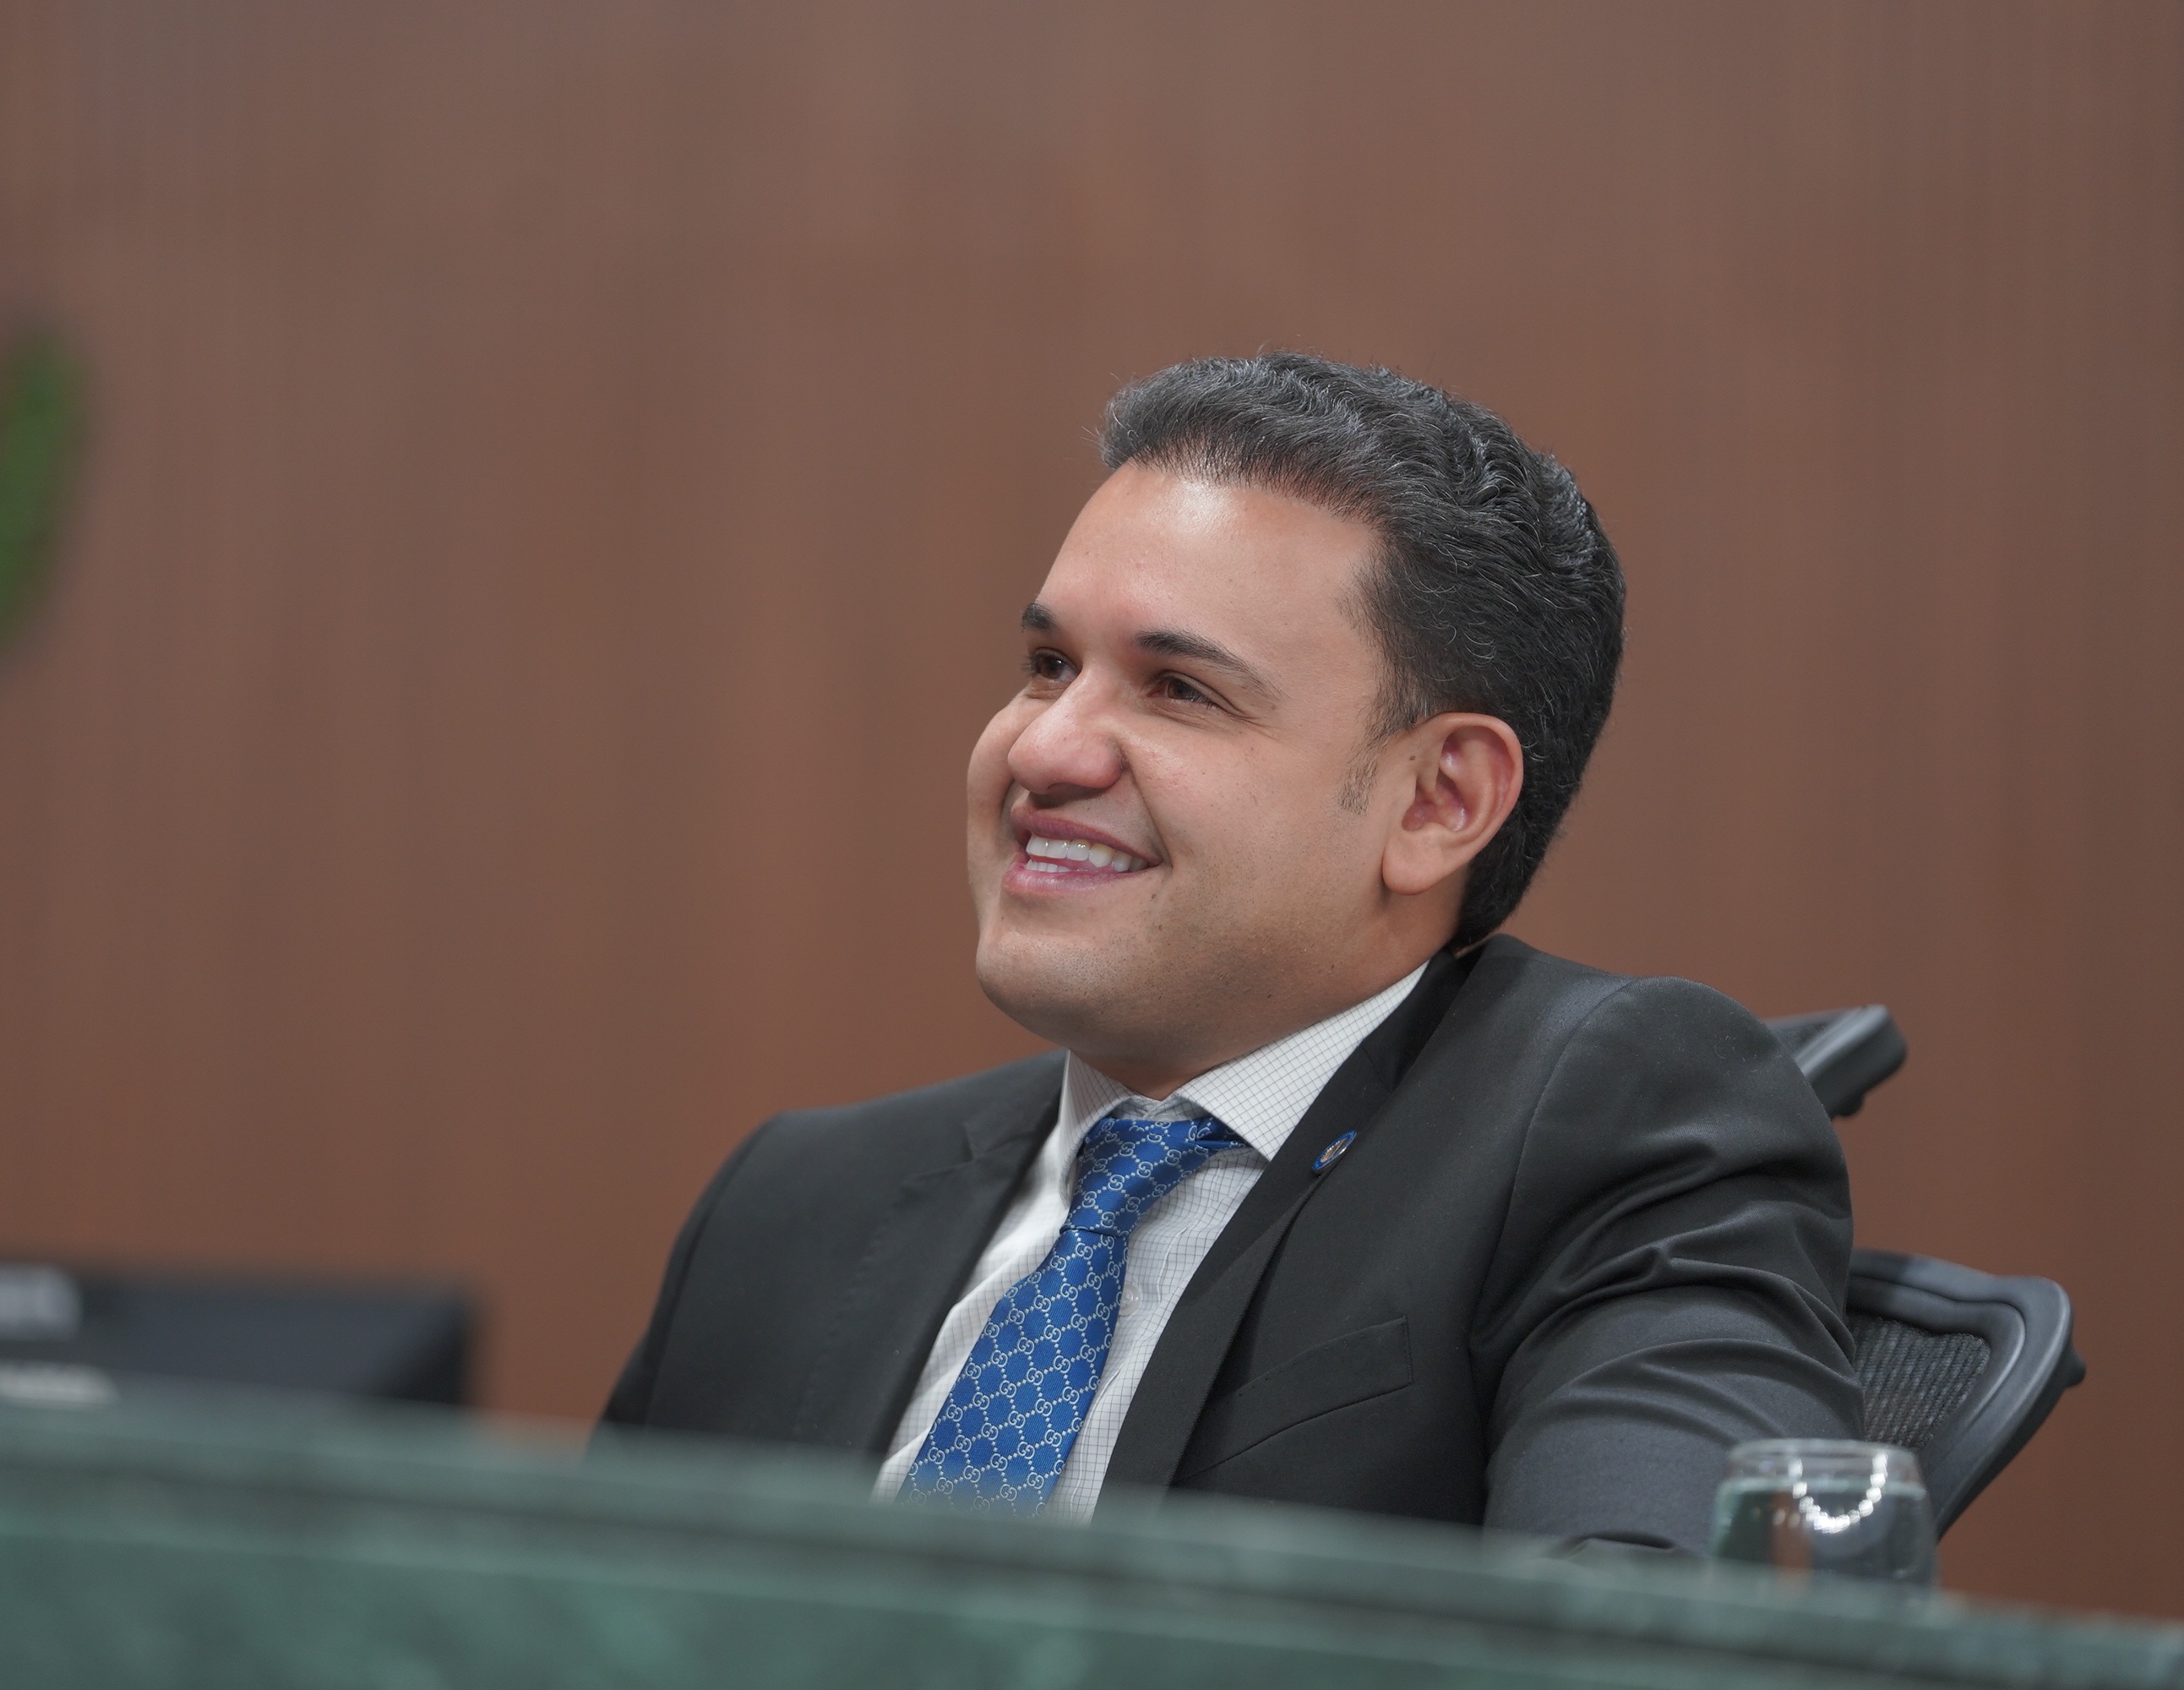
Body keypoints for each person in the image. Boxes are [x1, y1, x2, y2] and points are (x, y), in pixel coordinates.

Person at [602, 354, 1860, 1552]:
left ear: (1438, 802)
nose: (1043, 750)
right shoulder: (795, 1203)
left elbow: (1654, 1635)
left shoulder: (1622, 1135)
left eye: (1180, 690)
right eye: (1047, 666)